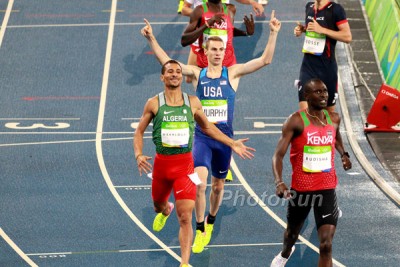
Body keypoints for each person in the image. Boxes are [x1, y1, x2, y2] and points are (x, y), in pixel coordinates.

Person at [141, 9, 280, 254]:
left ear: (224, 53)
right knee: (200, 183)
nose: (217, 53)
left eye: (220, 50)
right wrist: (151, 39)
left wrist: (272, 33)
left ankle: (211, 221)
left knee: (218, 187)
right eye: (212, 49)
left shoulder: (232, 73)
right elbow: (168, 64)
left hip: (224, 140)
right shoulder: (197, 74)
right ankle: (200, 228)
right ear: (205, 52)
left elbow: (265, 61)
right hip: (203, 137)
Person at [134, 59, 255, 267]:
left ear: (183, 77)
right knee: (157, 205)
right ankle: (165, 209)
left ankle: (184, 262)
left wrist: (231, 142)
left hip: (185, 166)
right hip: (162, 166)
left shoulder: (192, 102)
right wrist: (138, 154)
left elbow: (208, 128)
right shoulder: (153, 103)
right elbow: (139, 131)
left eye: (178, 72)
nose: (174, 74)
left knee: (185, 217)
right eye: (170, 72)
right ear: (162, 77)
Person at [270, 78, 352, 267]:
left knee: (326, 245)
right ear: (306, 96)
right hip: (302, 189)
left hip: (326, 187)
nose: (324, 95)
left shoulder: (334, 118)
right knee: (292, 233)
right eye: (318, 92)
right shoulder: (296, 121)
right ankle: (285, 253)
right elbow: (278, 156)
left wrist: (344, 154)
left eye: (325, 91)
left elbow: (336, 137)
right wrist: (279, 182)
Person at [294, 0, 352, 112]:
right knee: (305, 115)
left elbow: (347, 37)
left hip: (327, 69)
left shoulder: (336, 9)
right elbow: (313, 31)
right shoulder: (309, 7)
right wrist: (302, 30)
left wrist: (322, 30)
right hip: (308, 67)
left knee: (328, 118)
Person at [181, 0, 257, 84]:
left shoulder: (230, 9)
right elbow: (184, 40)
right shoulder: (199, 11)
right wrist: (208, 24)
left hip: (228, 64)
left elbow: (229, 31)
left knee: (227, 96)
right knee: (206, 94)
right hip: (206, 65)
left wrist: (246, 33)